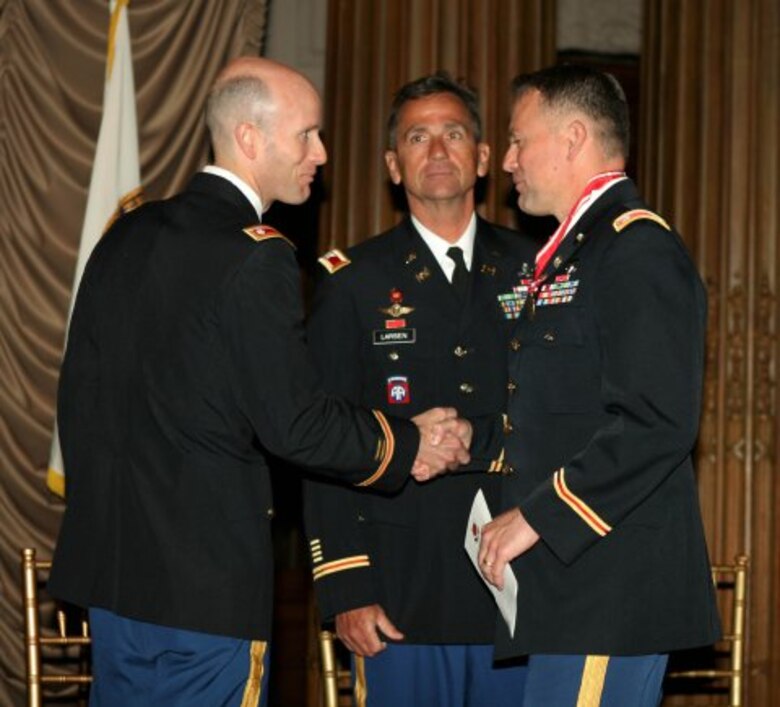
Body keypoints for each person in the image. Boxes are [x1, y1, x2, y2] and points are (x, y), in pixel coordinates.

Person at [48, 57, 472, 707]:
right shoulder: (256, 253)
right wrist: (408, 444)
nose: (322, 153)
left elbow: (79, 400)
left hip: (111, 582)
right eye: (306, 134)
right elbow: (295, 422)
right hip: (201, 591)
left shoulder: (125, 233)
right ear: (250, 138)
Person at [475, 64, 721, 705]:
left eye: (518, 139)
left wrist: (538, 515)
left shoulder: (634, 248)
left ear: (573, 137)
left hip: (610, 589)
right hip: (570, 587)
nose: (506, 160)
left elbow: (657, 420)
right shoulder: (575, 251)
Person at [303, 72, 536, 706]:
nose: (437, 151)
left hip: (517, 581)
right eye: (417, 137)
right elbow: (323, 438)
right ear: (393, 164)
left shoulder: (537, 269)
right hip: (400, 588)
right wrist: (347, 585)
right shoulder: (352, 281)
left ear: (484, 157)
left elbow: (564, 416)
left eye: (453, 134)